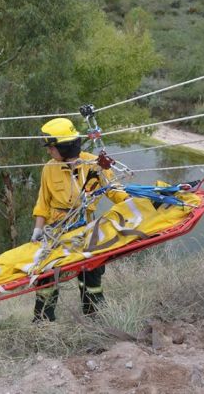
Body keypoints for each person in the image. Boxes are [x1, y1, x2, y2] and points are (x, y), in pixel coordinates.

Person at [31, 117, 128, 322]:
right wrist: (37, 231)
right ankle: (43, 323)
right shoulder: (49, 168)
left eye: (52, 147)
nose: (49, 151)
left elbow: (118, 195)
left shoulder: (94, 165)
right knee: (46, 278)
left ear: (64, 147)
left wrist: (140, 207)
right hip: (56, 232)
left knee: (91, 276)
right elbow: (42, 204)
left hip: (85, 229)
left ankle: (95, 319)